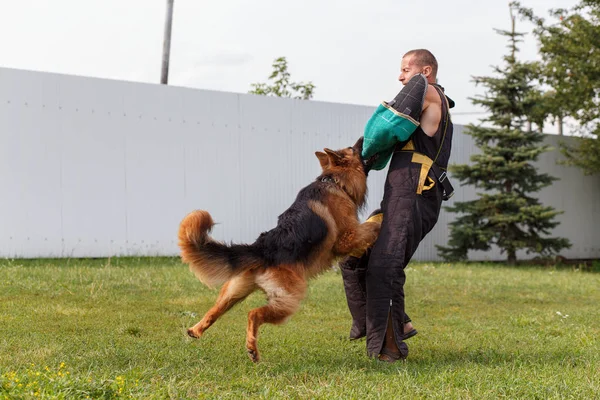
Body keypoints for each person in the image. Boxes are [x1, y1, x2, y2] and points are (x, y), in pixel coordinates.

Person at [340, 49, 455, 362]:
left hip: (415, 192)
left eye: (406, 69)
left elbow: (387, 126)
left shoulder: (428, 92)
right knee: (355, 252)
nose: (401, 77)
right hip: (399, 193)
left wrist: (359, 153)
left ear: (426, 71)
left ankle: (390, 349)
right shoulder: (423, 99)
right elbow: (387, 139)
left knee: (384, 265)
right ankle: (397, 323)